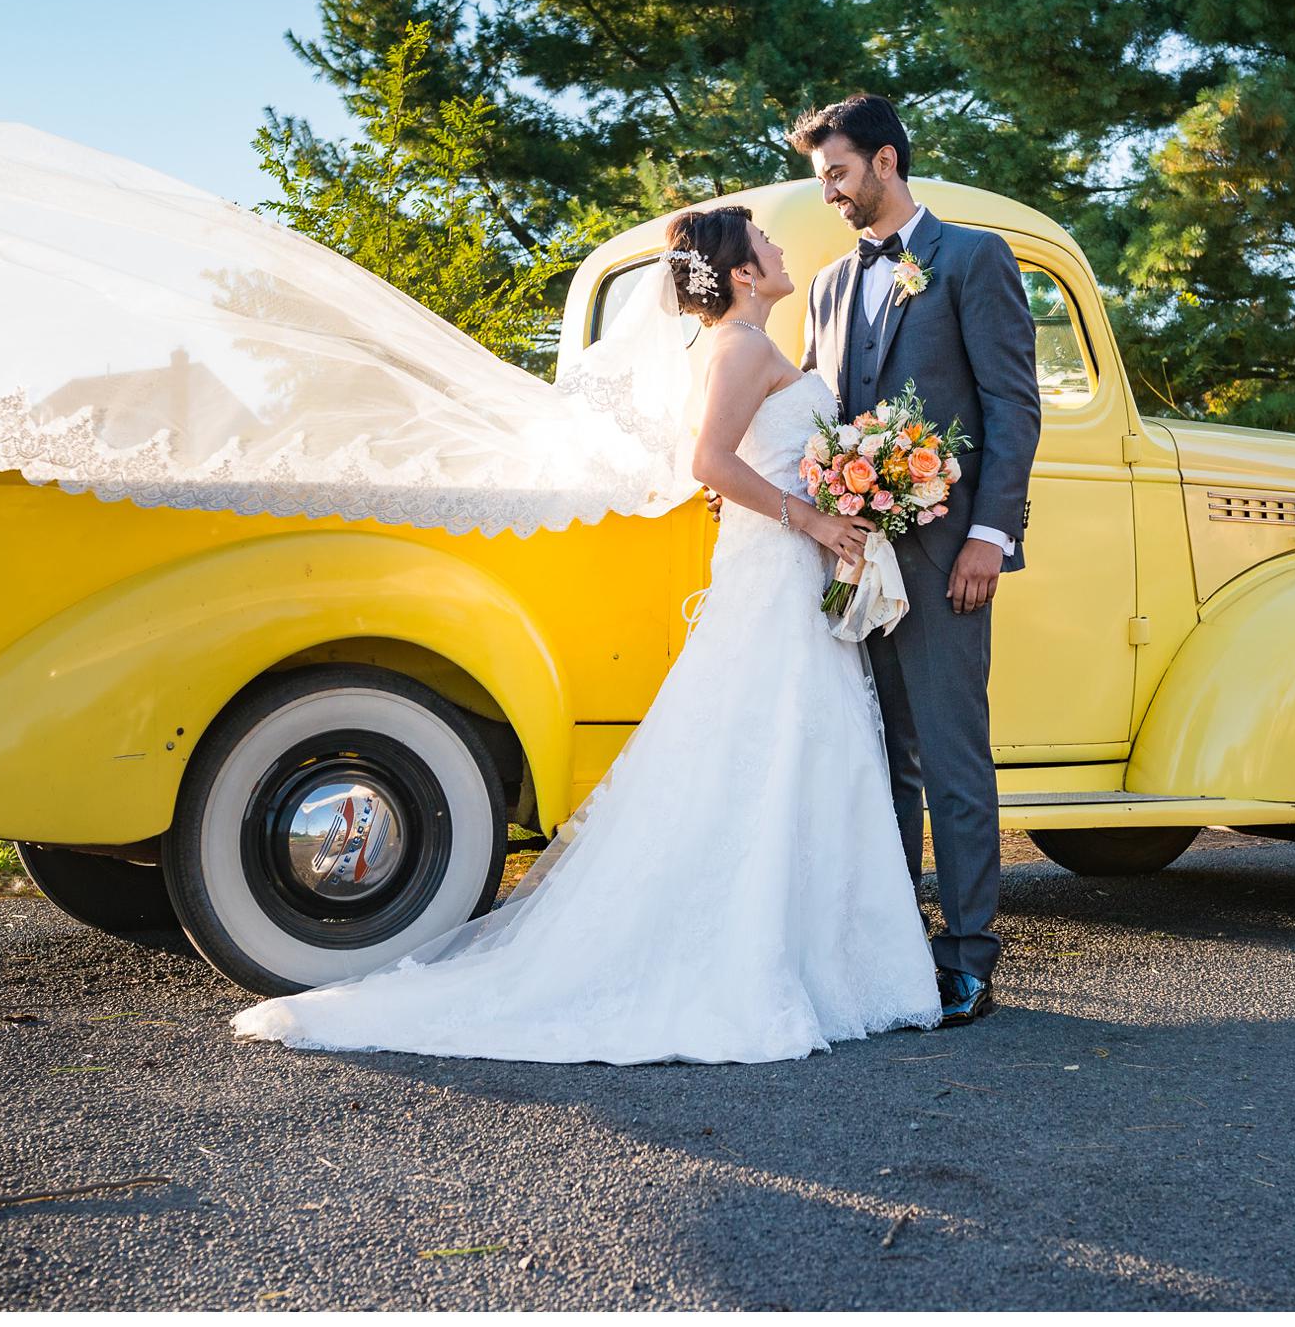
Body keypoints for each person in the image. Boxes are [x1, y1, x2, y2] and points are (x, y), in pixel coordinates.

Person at [229, 206, 944, 1063]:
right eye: (767, 242)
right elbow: (709, 463)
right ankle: (757, 959)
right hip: (777, 565)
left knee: (787, 751)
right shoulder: (744, 349)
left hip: (781, 568)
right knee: (771, 743)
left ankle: (807, 956)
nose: (783, 248)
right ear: (745, 273)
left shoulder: (745, 345)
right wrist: (815, 520)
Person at [791, 94, 1042, 1027]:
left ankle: (970, 954)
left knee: (948, 757)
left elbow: (1013, 408)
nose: (831, 193)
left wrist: (990, 534)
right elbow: (820, 413)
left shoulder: (972, 259)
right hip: (853, 558)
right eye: (824, 178)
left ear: (887, 162)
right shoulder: (823, 286)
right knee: (874, 756)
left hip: (947, 557)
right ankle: (893, 949)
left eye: (840, 174)